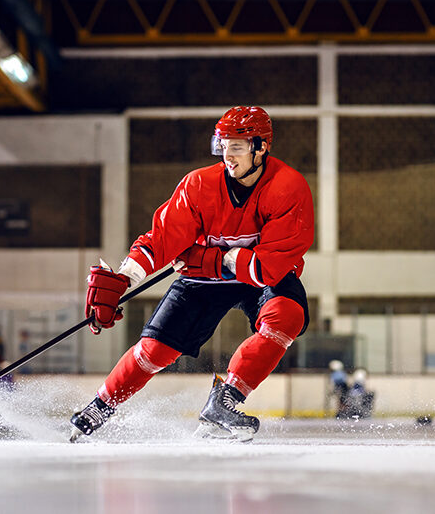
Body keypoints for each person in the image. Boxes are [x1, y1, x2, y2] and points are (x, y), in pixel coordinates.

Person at [70, 106, 314, 442]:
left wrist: (206, 258)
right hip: (205, 280)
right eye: (223, 146)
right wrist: (125, 278)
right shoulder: (199, 184)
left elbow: (267, 267)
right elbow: (162, 239)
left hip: (258, 279)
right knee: (155, 349)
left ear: (262, 147)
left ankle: (224, 400)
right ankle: (100, 406)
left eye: (238, 147)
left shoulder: (288, 187)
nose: (228, 156)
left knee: (286, 317)